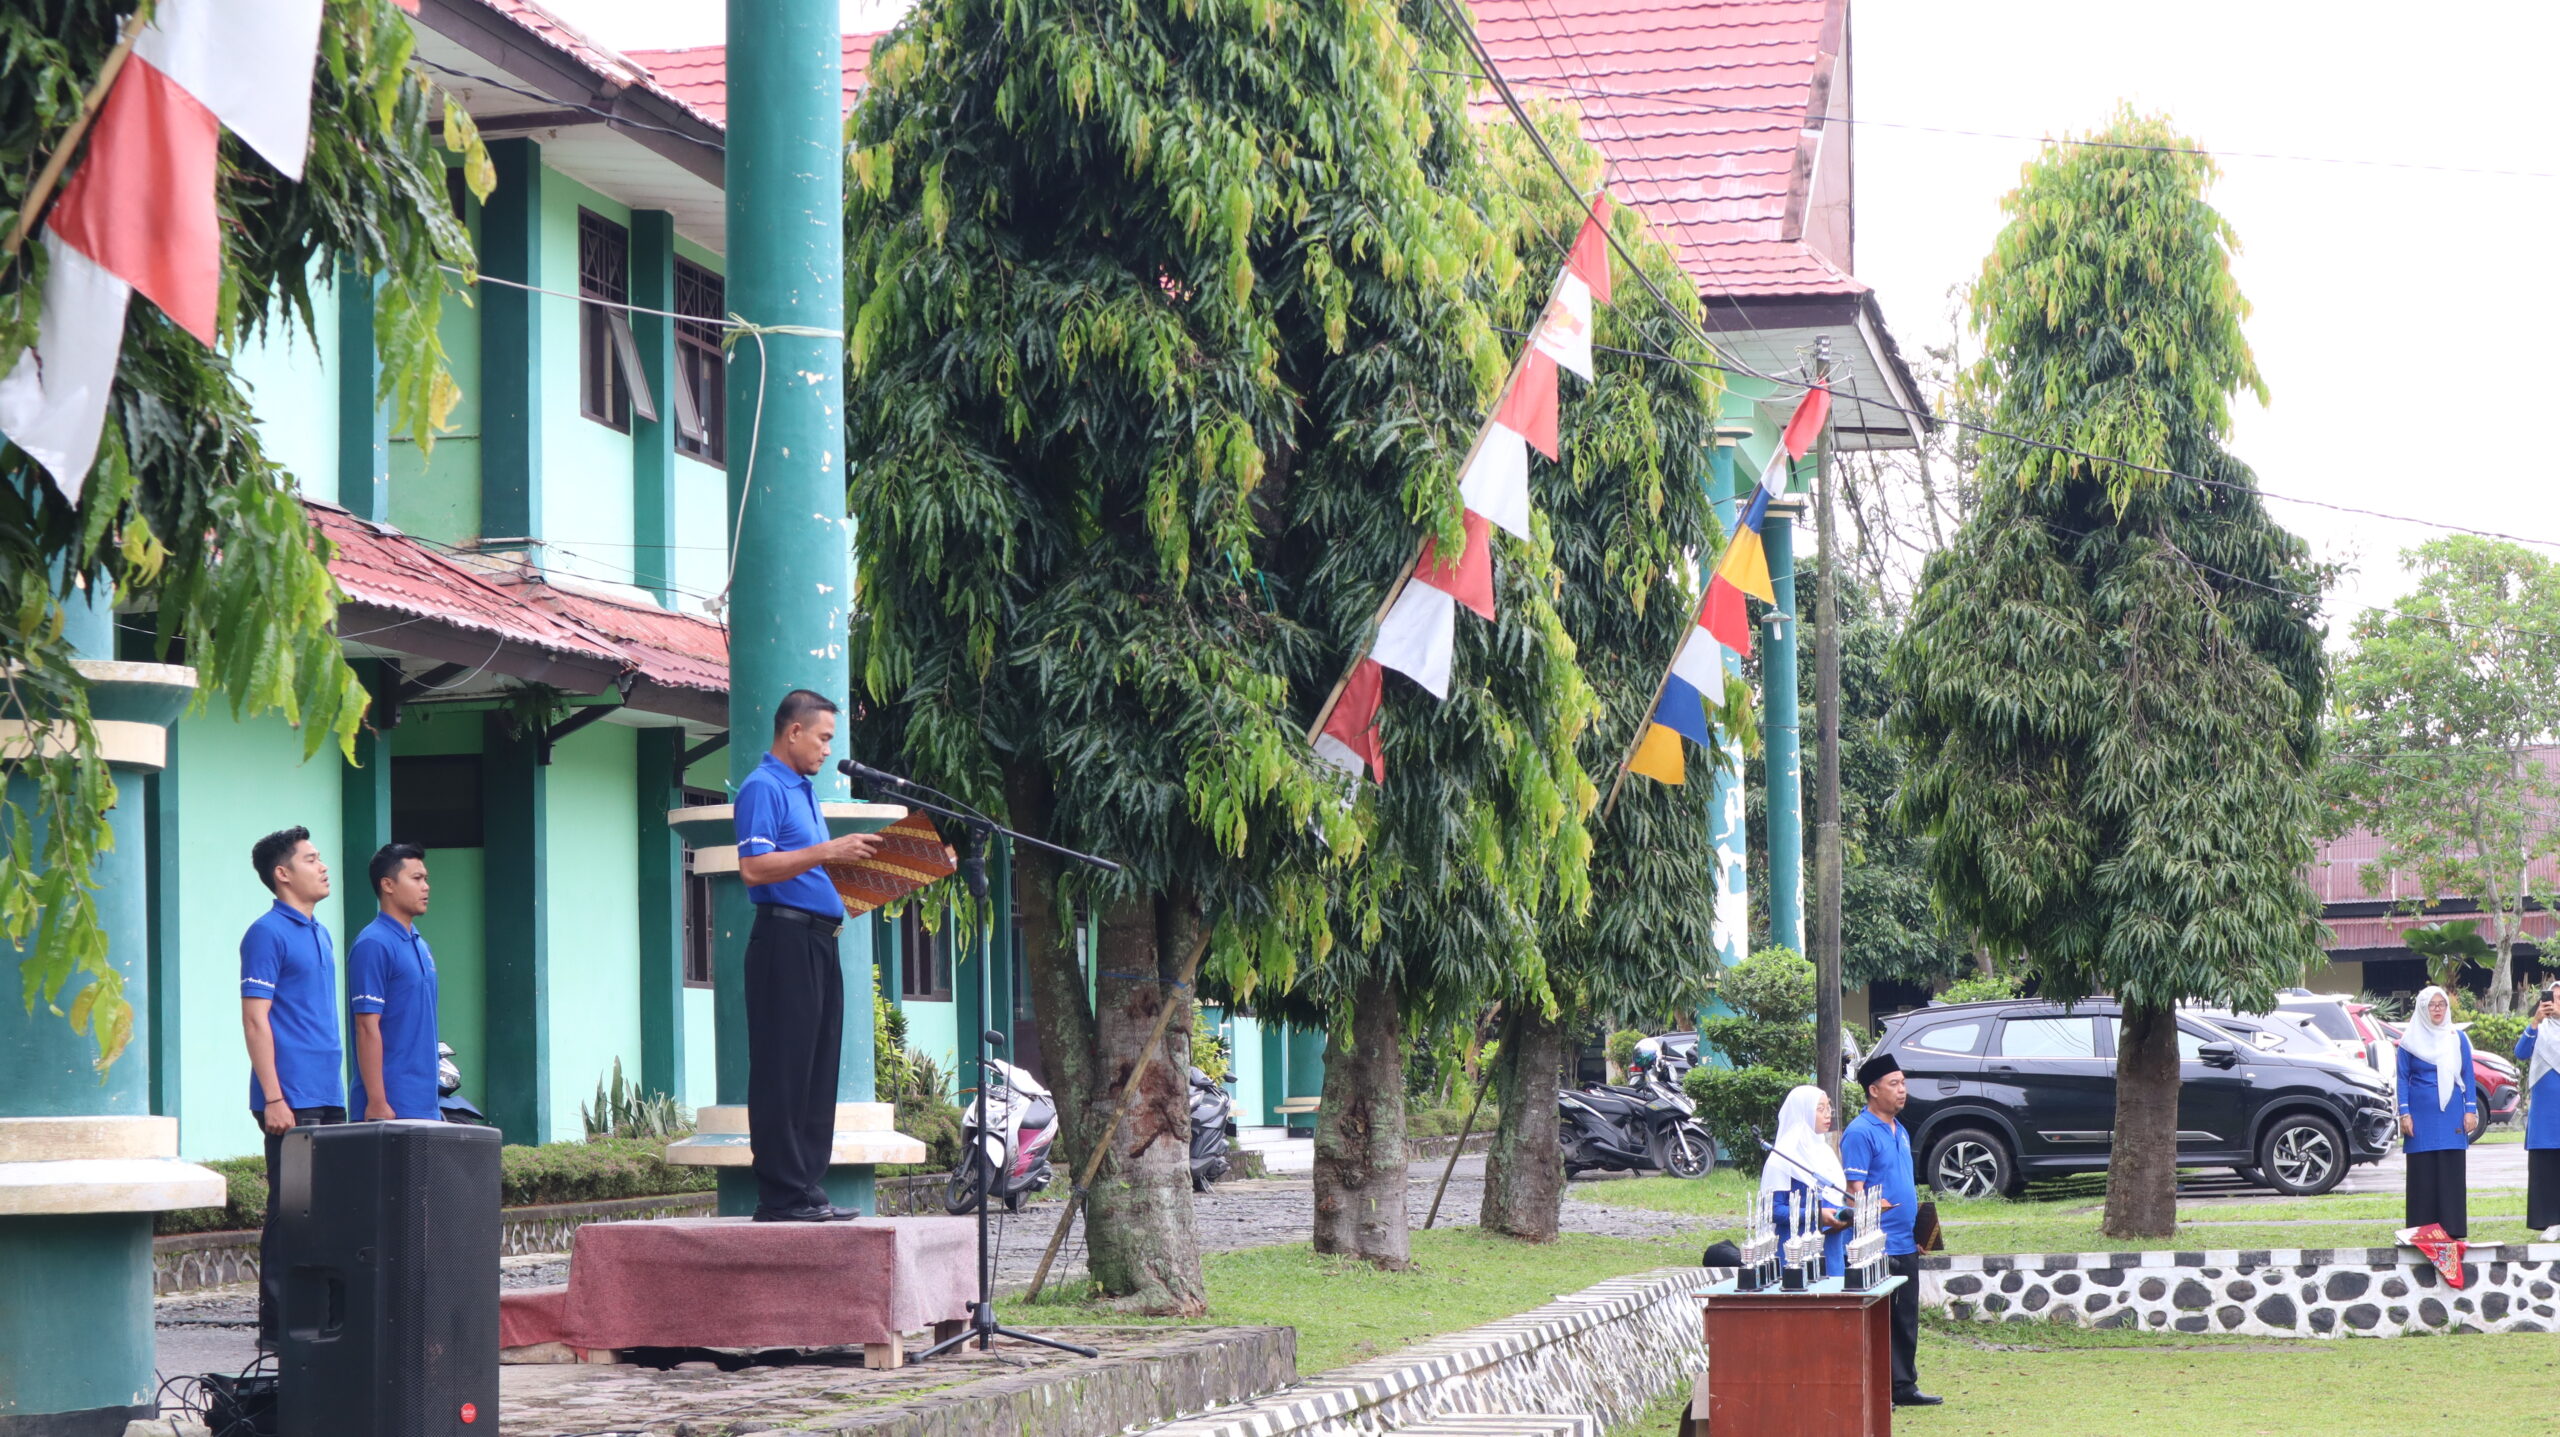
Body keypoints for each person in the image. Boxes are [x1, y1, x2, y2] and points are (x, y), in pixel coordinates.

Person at [732, 689, 885, 1222]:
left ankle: (807, 1190)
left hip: (821, 942)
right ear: (793, 731)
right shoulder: (763, 787)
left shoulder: (804, 792)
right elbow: (754, 868)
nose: (827, 750)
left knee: (818, 1069)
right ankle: (780, 1195)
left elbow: (811, 872)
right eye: (822, 738)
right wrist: (829, 850)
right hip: (783, 943)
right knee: (783, 1068)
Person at [239, 825, 343, 1351]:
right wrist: (274, 1097)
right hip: (291, 1098)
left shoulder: (321, 932)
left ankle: (323, 1321)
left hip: (329, 1092)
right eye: (311, 858)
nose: (322, 866)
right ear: (283, 874)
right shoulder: (266, 932)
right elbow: (255, 1020)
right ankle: (277, 1330)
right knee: (290, 1213)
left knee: (330, 1212)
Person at [1842, 1051, 1939, 1408]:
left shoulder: (1900, 1130)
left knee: (1905, 1317)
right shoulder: (1859, 1132)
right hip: (1876, 1244)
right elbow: (1856, 1192)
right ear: (1873, 1090)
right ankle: (1878, 1388)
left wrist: (1919, 1231)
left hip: (1905, 1241)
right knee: (1879, 1319)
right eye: (1894, 1084)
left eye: (1903, 1083)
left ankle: (1904, 1385)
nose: (1902, 1090)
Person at [349, 842, 440, 1122]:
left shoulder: (419, 943)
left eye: (425, 878)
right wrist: (377, 1101)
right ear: (388, 885)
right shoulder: (374, 943)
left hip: (425, 1103)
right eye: (416, 878)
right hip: (389, 1107)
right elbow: (366, 1026)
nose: (426, 886)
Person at [2396, 984, 2479, 1239]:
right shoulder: (2409, 1041)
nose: (2437, 1010)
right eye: (2432, 1005)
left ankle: (2452, 1228)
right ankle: (2422, 1230)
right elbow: (2401, 1077)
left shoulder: (2457, 1038)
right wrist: (2404, 1113)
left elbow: (2468, 1075)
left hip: (2451, 1113)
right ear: (2422, 1008)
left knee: (2450, 1169)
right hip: (2420, 1115)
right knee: (2423, 1171)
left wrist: (2470, 1110)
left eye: (2441, 1004)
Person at [1762, 1084, 1849, 1277]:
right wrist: (1815, 1214)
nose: (1828, 1114)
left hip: (1831, 1246)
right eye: (1820, 1109)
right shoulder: (1783, 1157)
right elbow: (1773, 1210)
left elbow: (1834, 1197)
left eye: (1829, 1108)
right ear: (1803, 1112)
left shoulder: (1825, 1151)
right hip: (1797, 1252)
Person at [2516, 983, 2560, 1240]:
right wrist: (2534, 1022)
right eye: (2552, 998)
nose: (2554, 1003)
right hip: (2545, 1110)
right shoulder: (2540, 1029)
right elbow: (2521, 1053)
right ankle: (2550, 1220)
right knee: (2545, 1164)